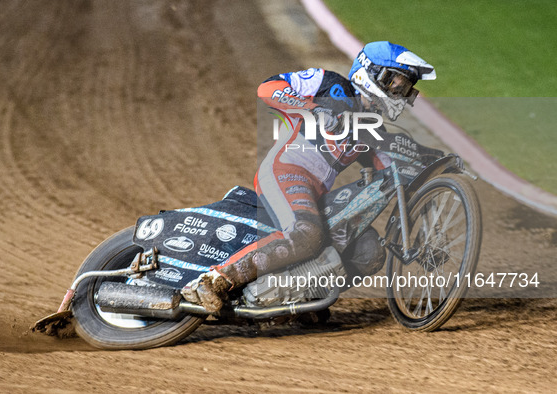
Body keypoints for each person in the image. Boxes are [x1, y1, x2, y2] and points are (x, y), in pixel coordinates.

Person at [182, 41, 437, 312]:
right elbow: (268, 88)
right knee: (306, 233)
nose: (397, 91)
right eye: (394, 81)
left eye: (404, 87)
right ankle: (213, 280)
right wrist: (313, 108)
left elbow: (391, 169)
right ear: (369, 72)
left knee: (369, 251)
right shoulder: (329, 82)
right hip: (285, 171)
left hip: (318, 193)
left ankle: (305, 297)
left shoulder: (374, 127)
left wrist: (430, 162)